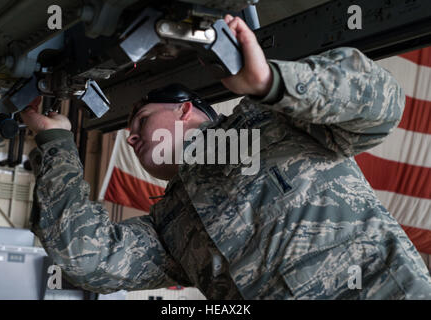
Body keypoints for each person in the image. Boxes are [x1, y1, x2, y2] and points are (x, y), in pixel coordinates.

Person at [21, 15, 431, 299]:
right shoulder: (170, 227)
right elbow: (84, 257)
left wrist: (272, 83)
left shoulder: (271, 123)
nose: (130, 139)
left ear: (184, 109)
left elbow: (381, 104)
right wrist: (56, 145)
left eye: (140, 121)